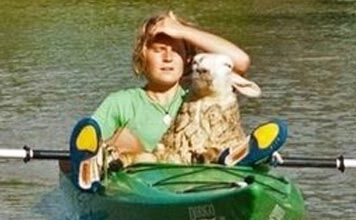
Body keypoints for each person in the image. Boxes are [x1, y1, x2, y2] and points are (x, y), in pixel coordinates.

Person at [90, 11, 251, 160]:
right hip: (140, 181)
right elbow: (85, 146)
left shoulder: (199, 98)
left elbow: (241, 61)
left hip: (196, 179)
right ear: (143, 55)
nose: (168, 58)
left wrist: (183, 31)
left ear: (187, 59)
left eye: (176, 50)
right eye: (159, 50)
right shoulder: (120, 103)